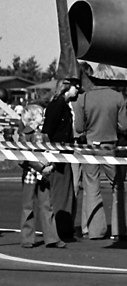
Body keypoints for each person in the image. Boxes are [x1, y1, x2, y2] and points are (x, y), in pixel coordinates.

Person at [72, 67, 127, 240]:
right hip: (109, 145)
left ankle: (95, 230)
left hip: (90, 145)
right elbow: (124, 127)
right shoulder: (117, 97)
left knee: (91, 186)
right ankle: (122, 228)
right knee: (118, 186)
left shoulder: (83, 97)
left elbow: (79, 128)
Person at [17, 106, 65, 249]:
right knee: (28, 206)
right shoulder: (24, 135)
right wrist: (41, 168)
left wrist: (52, 165)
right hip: (30, 175)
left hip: (44, 175)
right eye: (40, 114)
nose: (43, 117)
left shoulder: (44, 135)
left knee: (47, 205)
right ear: (32, 117)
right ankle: (27, 238)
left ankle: (52, 237)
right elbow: (24, 157)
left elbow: (51, 151)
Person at [41, 78, 79, 240]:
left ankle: (64, 229)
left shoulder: (63, 105)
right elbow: (47, 132)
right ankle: (60, 231)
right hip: (58, 156)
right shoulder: (57, 106)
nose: (77, 90)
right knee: (61, 195)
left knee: (66, 193)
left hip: (64, 155)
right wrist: (50, 157)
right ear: (67, 88)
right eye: (76, 87)